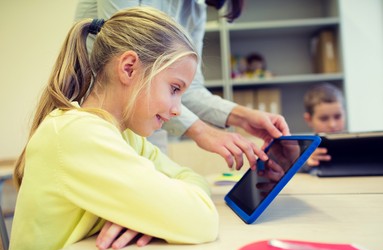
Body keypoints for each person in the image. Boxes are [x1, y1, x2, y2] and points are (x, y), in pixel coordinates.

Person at [7, 7, 221, 250]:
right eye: (174, 89)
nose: (177, 110)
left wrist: (147, 216)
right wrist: (155, 215)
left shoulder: (126, 137)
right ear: (129, 68)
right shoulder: (78, 135)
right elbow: (200, 221)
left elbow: (191, 178)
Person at [74, 0, 290, 172]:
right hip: (107, 116)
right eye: (173, 91)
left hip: (140, 123)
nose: (175, 108)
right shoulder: (83, 137)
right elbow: (136, 72)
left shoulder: (195, 7)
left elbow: (188, 87)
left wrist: (242, 117)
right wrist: (200, 130)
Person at [302, 83, 346, 169]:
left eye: (338, 116)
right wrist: (306, 164)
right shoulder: (300, 149)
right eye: (324, 118)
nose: (332, 125)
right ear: (309, 120)